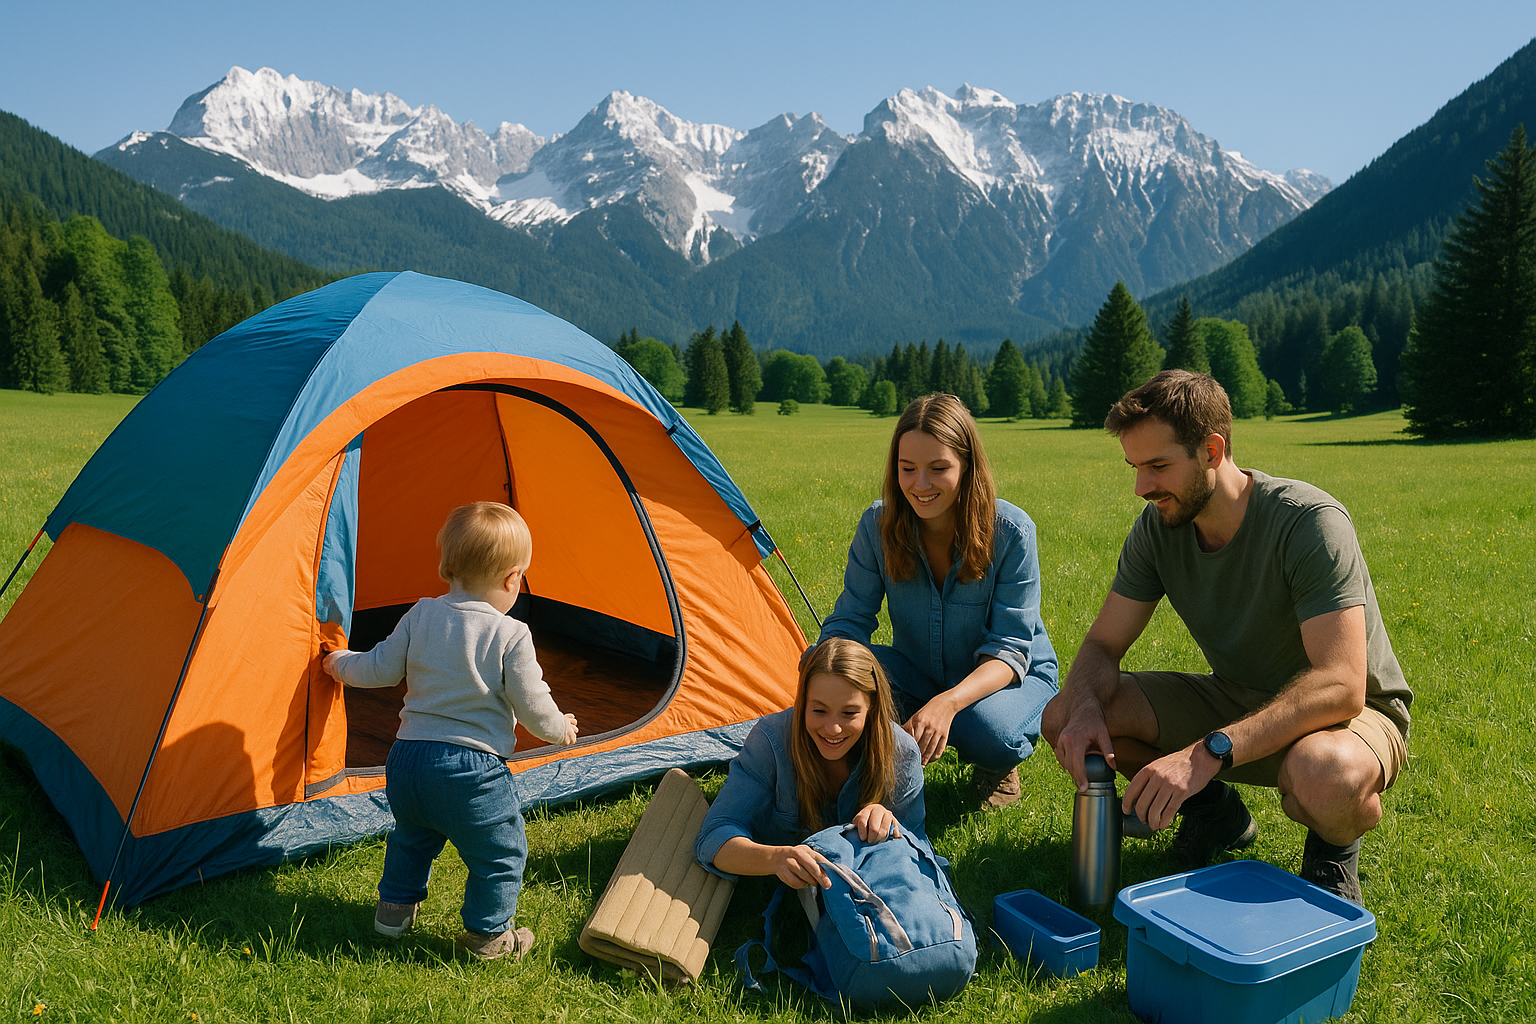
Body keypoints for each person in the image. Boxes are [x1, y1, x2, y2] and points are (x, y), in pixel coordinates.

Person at [1041, 370, 1412, 904]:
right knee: (1065, 715)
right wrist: (1083, 714)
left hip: (1347, 718)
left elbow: (1342, 685)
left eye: (1158, 466)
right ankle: (1214, 815)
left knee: (1323, 774)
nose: (1141, 488)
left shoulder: (1308, 522)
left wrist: (1206, 752)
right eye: (1135, 468)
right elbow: (1102, 646)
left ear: (1212, 451)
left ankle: (1333, 851)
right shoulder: (1158, 529)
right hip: (1236, 695)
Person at [323, 501, 579, 959]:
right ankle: (487, 936)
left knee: (412, 837)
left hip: (407, 760)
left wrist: (336, 662)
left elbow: (378, 669)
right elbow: (533, 702)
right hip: (473, 770)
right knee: (501, 852)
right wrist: (560, 728)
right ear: (511, 578)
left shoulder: (421, 614)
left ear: (448, 565)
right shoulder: (511, 634)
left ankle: (392, 915)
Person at [818, 393, 1059, 809]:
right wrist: (820, 684)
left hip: (1008, 679)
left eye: (938, 469)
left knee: (990, 732)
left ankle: (996, 766)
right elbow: (850, 622)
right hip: (919, 673)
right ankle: (865, 765)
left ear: (967, 467)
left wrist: (946, 704)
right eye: (907, 469)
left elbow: (1009, 649)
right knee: (829, 664)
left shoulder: (1012, 533)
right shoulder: (878, 525)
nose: (920, 485)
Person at [695, 637, 925, 888]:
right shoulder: (770, 742)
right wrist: (776, 858)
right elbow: (713, 837)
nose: (833, 728)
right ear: (802, 702)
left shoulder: (901, 752)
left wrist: (890, 822)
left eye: (849, 713)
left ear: (871, 707)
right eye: (819, 710)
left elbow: (918, 851)